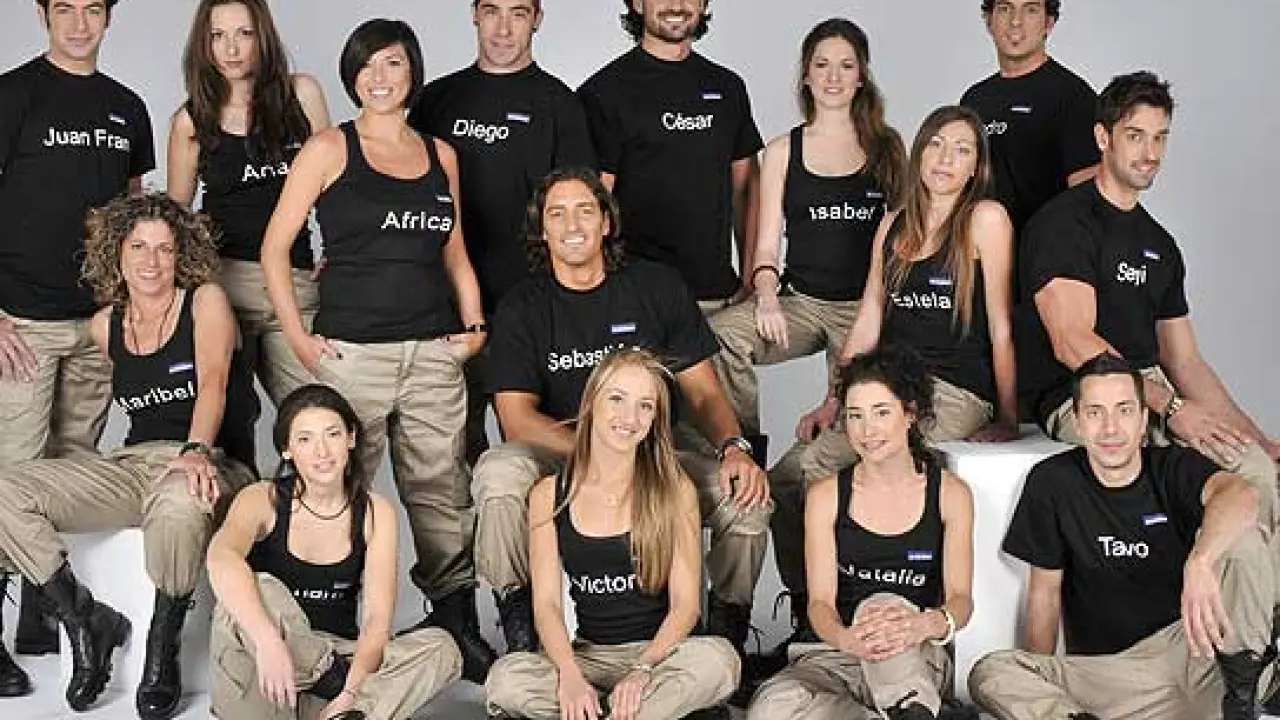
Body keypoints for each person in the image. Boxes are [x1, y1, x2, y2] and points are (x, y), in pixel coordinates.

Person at [260, 19, 495, 682]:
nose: (380, 78)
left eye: (392, 63)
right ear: (352, 77)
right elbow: (275, 249)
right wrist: (299, 339)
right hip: (352, 355)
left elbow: (455, 253)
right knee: (335, 487)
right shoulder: (329, 148)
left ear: (412, 71)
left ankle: (456, 623)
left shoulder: (440, 154)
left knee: (441, 491)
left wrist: (474, 327)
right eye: (366, 66)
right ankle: (328, 631)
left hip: (431, 354)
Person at [475, 167, 770, 671]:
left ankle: (727, 633)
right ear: (541, 229)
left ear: (606, 222)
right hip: (564, 456)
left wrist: (734, 449)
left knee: (745, 498)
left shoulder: (655, 286)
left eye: (585, 211)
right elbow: (517, 420)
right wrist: (601, 458)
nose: (572, 225)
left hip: (654, 451)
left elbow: (703, 392)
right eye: (557, 214)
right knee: (498, 474)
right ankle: (522, 626)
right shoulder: (522, 306)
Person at [0, 193, 258, 717]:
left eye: (165, 249)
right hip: (135, 463)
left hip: (210, 461)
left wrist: (195, 451)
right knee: (6, 488)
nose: (151, 261)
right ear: (116, 253)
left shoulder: (204, 301)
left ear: (181, 255)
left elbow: (213, 384)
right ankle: (84, 617)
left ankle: (163, 645)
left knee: (180, 502)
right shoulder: (104, 326)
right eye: (138, 247)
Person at [770, 106, 1015, 649]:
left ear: (976, 166)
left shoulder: (986, 220)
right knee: (786, 479)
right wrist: (833, 401)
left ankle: (904, 617)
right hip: (887, 387)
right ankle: (816, 612)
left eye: (962, 150)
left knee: (850, 463)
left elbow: (1001, 326)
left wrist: (1008, 416)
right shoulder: (893, 224)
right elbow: (869, 320)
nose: (945, 159)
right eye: (936, 145)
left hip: (953, 389)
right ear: (919, 152)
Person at [1019, 71, 1279, 528]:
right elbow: (1072, 343)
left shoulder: (1160, 244)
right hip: (1083, 394)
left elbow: (1185, 362)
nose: (1150, 153)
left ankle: (1245, 579)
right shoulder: (1063, 225)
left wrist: (1259, 440)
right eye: (1135, 136)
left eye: (1160, 138)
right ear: (1103, 138)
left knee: (1258, 468)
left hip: (1151, 391)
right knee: (1220, 485)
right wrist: (1170, 408)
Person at [969, 354, 1278, 720]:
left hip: (1200, 658)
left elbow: (1242, 494)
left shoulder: (1172, 467)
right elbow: (1044, 593)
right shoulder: (1052, 482)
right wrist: (1041, 678)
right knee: (990, 673)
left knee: (1243, 538)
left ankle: (1243, 697)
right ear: (1078, 422)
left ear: (1144, 420)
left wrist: (1201, 560)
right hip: (1117, 675)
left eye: (1124, 411)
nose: (1110, 428)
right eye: (1095, 413)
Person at [0, 0, 155, 678]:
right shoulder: (12, 95)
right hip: (22, 323)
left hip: (96, 325)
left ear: (108, 18)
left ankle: (41, 617)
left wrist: (130, 310)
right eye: (64, 7)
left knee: (68, 471)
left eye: (93, 8)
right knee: (10, 475)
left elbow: (135, 213)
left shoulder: (126, 107)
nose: (79, 23)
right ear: (43, 15)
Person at [485, 348, 740, 720]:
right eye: (617, 399)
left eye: (645, 406)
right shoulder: (548, 494)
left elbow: (686, 605)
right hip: (590, 656)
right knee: (505, 681)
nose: (629, 418)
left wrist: (643, 669)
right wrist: (570, 676)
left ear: (655, 418)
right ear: (591, 403)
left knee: (720, 661)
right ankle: (633, 713)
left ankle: (607, 712)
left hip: (661, 656)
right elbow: (547, 606)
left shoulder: (675, 489)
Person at [708, 16, 905, 467]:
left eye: (846, 66)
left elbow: (907, 242)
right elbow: (765, 247)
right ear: (806, 75)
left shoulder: (887, 147)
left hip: (862, 311)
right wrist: (766, 296)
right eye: (821, 65)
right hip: (801, 304)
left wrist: (880, 316)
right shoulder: (782, 151)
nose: (833, 77)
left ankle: (801, 492)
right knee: (722, 336)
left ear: (861, 77)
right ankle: (745, 457)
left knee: (836, 444)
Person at [408, 0, 596, 466]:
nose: (504, 28)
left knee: (539, 455)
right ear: (474, 14)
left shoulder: (560, 105)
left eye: (518, 13)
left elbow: (579, 213)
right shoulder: (437, 101)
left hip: (533, 309)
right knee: (453, 458)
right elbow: (398, 187)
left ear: (537, 19)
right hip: (445, 308)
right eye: (492, 11)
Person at [207, 384, 463, 720]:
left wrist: (351, 692)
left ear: (351, 438)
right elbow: (220, 559)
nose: (322, 451)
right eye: (305, 439)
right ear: (287, 450)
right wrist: (269, 642)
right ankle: (359, 705)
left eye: (333, 434)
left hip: (335, 671)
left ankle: (347, 712)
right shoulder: (262, 498)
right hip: (264, 674)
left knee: (442, 649)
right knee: (256, 588)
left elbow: (376, 620)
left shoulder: (375, 512)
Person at [749, 344, 975, 719]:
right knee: (771, 708)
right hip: (839, 653)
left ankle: (909, 706)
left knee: (880, 606)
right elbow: (820, 603)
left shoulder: (950, 494)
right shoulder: (826, 496)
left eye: (881, 412)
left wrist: (924, 625)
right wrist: (846, 638)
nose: (867, 430)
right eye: (855, 416)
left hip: (911, 653)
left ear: (910, 414)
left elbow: (961, 600)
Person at [167, 0, 331, 406]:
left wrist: (338, 251)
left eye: (244, 33)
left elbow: (335, 186)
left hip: (294, 280)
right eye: (217, 36)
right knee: (228, 416)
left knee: (316, 410)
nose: (231, 49)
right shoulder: (191, 121)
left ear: (263, 37)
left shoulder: (302, 95)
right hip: (224, 282)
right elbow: (174, 220)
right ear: (204, 44)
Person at [578, 0, 762, 311]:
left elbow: (747, 191)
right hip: (638, 301)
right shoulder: (603, 93)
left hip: (718, 298)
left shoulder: (728, 88)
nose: (676, 5)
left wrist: (750, 281)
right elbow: (593, 206)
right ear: (637, 4)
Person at [959, 0, 1097, 254]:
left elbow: (1089, 202)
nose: (1015, 21)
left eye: (1030, 9)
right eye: (1005, 8)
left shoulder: (1073, 97)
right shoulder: (974, 100)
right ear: (989, 20)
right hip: (981, 259)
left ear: (1049, 23)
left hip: (1045, 259)